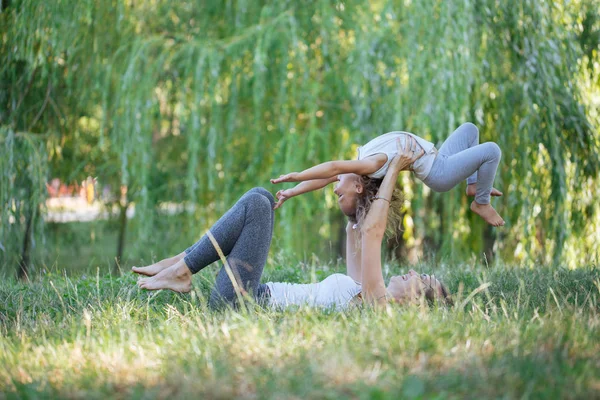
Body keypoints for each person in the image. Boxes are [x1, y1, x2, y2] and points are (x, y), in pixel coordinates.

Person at [133, 138, 451, 309]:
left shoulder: (377, 301)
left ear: (416, 304)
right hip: (244, 296)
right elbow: (359, 225)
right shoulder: (362, 287)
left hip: (241, 304)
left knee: (260, 204)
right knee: (261, 195)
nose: (412, 271)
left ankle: (184, 268)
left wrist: (395, 166)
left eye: (421, 278)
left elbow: (373, 232)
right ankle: (184, 261)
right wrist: (364, 185)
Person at [271, 122, 504, 226]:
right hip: (439, 172)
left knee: (470, 130)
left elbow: (323, 179)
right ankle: (481, 203)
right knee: (492, 151)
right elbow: (332, 168)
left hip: (439, 157)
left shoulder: (359, 167)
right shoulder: (370, 166)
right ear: (358, 188)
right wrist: (298, 174)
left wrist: (292, 190)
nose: (334, 188)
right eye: (339, 196)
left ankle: (474, 185)